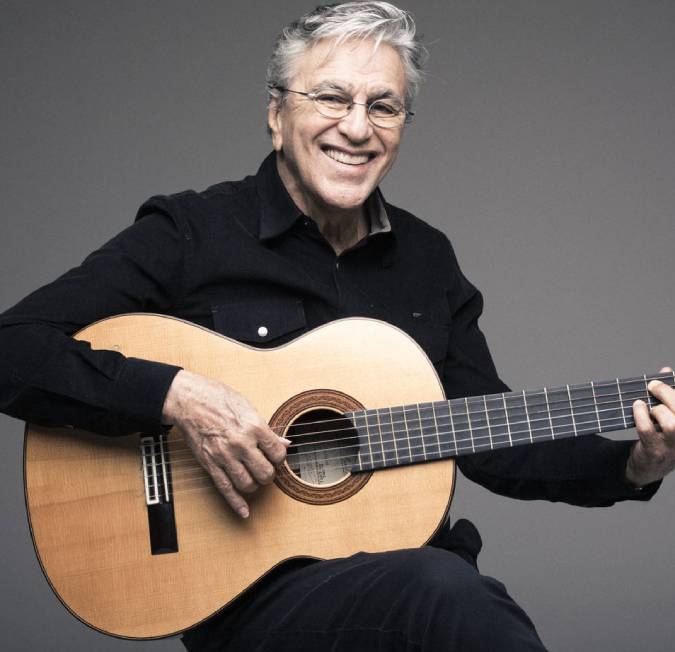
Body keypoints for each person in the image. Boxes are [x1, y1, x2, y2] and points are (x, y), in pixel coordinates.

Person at [1, 2, 674, 651]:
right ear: (276, 114)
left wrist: (633, 464)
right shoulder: (191, 232)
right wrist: (177, 396)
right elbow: (13, 348)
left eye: (383, 106)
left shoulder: (426, 259)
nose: (357, 128)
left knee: (446, 587)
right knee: (445, 592)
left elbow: (490, 435)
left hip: (414, 574)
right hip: (257, 598)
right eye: (331, 98)